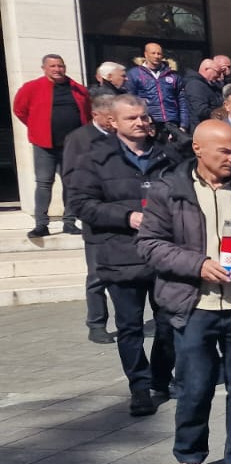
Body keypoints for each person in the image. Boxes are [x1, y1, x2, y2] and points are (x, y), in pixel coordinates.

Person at [137, 120, 231, 464]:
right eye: (225, 151)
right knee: (194, 387)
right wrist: (199, 265)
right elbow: (150, 244)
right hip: (192, 305)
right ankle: (190, 456)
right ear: (198, 149)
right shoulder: (169, 190)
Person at [66, 95, 180, 415]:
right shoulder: (95, 158)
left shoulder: (165, 156)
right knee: (130, 327)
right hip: (120, 254)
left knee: (169, 323)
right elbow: (81, 204)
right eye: (132, 118)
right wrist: (126, 217)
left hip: (163, 254)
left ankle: (161, 377)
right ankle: (139, 387)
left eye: (144, 117)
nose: (141, 123)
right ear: (113, 122)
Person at [13, 53, 90, 238]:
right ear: (44, 68)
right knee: (44, 183)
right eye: (53, 66)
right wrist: (36, 127)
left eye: (60, 66)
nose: (57, 69)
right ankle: (41, 224)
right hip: (44, 144)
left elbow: (87, 113)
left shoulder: (78, 89)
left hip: (71, 146)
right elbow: (20, 110)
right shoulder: (32, 88)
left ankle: (69, 222)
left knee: (71, 184)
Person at [62, 91, 117, 343]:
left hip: (121, 214)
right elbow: (72, 177)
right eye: (109, 117)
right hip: (95, 215)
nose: (113, 121)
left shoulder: (120, 137)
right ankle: (96, 323)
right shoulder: (79, 138)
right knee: (97, 275)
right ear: (96, 115)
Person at [126, 42, 187, 133]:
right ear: (145, 54)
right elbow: (130, 100)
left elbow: (182, 100)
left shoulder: (173, 75)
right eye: (153, 53)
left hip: (172, 121)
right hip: (148, 121)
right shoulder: (134, 74)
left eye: (159, 53)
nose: (157, 56)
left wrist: (184, 125)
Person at [181, 59, 223, 132]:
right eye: (217, 72)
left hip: (211, 126)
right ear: (206, 69)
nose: (218, 76)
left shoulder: (211, 85)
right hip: (202, 129)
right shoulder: (195, 85)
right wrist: (220, 113)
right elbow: (200, 110)